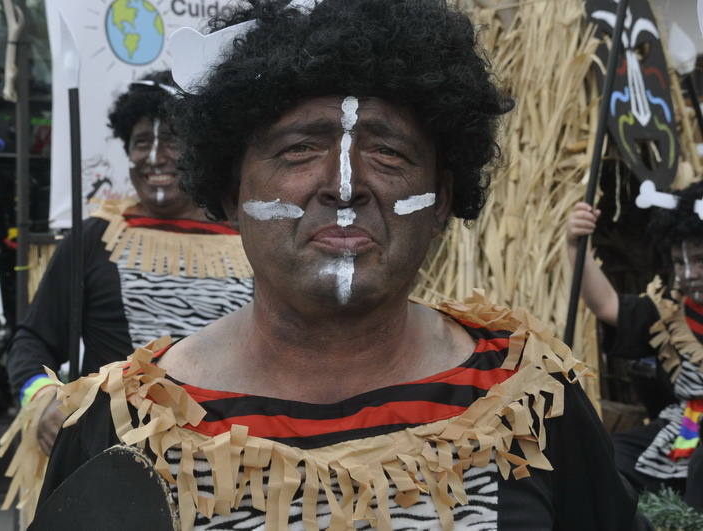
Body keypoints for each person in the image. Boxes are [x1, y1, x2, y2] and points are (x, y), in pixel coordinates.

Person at [37, 1, 637, 529]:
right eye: (299, 149)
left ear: (443, 199)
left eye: (388, 151)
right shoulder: (128, 423)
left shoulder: (530, 404)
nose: (344, 186)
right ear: (227, 192)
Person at [0, 71, 254, 524]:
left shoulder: (251, 239)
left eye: (171, 139)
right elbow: (30, 343)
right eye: (141, 142)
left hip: (237, 474)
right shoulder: (97, 238)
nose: (155, 157)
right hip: (111, 473)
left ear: (200, 149)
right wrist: (43, 401)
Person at [566, 182, 703, 511]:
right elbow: (607, 304)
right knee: (608, 456)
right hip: (687, 426)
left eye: (699, 260)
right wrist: (575, 245)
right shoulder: (668, 317)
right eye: (679, 263)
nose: (688, 274)